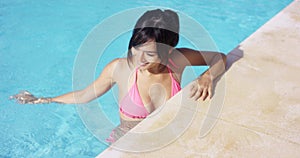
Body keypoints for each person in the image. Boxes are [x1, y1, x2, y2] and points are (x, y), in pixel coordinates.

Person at [10, 9, 226, 143]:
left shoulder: (177, 60)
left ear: (169, 50)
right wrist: (42, 100)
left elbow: (220, 58)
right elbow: (84, 95)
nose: (139, 58)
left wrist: (207, 76)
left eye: (149, 54)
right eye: (135, 48)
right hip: (128, 144)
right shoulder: (119, 69)